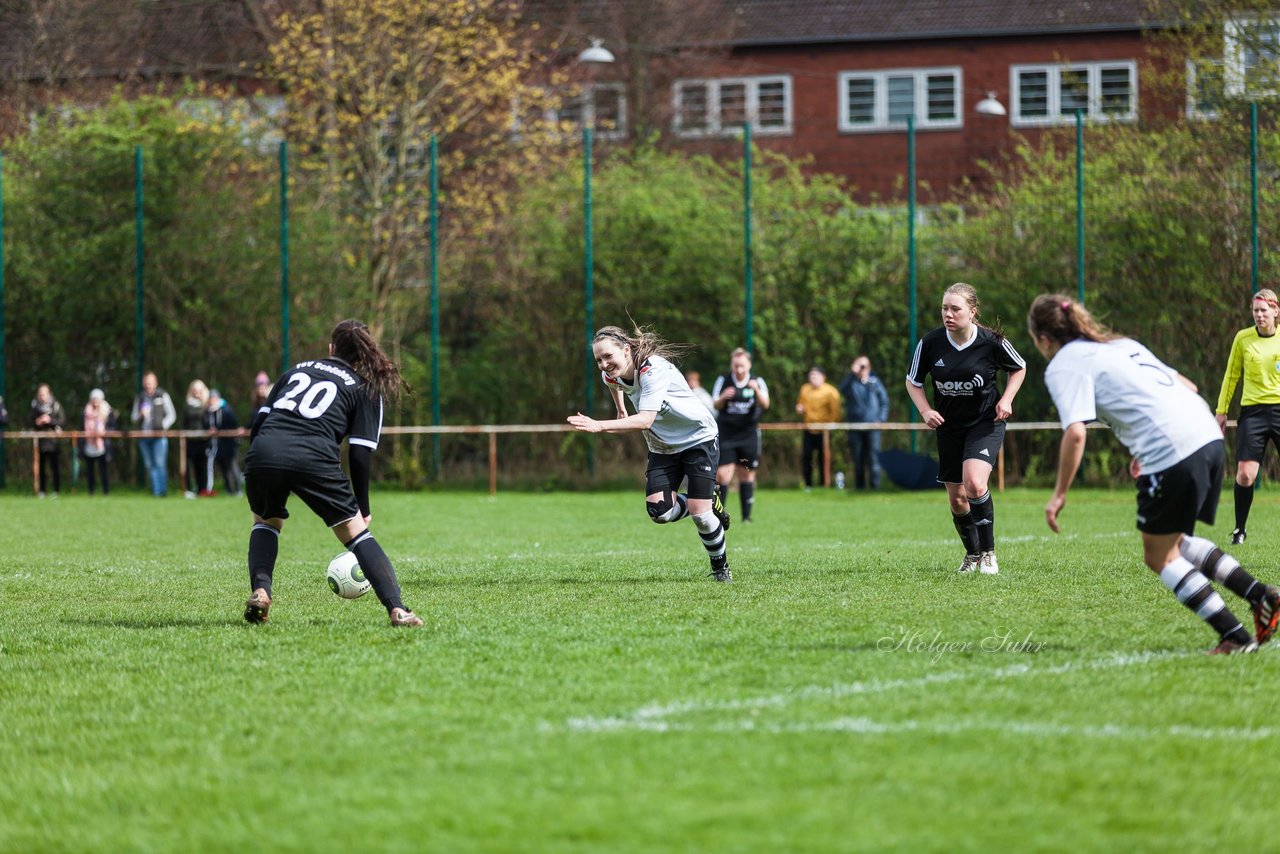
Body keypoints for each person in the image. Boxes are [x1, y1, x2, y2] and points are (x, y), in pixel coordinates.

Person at [1030, 293, 1280, 655]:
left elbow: (1076, 431)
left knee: (1159, 555)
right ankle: (1261, 596)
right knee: (1174, 543)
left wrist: (1059, 494)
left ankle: (1235, 637)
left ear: (1044, 339)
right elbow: (1189, 387)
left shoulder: (1062, 364)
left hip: (1175, 449)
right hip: (1208, 436)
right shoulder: (1119, 344)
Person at [243, 319, 423, 627]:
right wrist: (362, 507)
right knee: (356, 534)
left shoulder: (295, 371)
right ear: (365, 355)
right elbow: (360, 453)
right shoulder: (365, 388)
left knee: (266, 520)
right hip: (313, 456)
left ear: (331, 348)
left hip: (264, 449)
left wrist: (263, 460)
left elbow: (258, 425)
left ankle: (261, 591)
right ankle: (398, 609)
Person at [568, 324, 734, 582]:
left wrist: (600, 424)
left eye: (608, 357)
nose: (603, 364)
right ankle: (704, 500)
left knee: (702, 517)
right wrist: (620, 409)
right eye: (598, 360)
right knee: (660, 512)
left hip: (697, 437)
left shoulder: (652, 369)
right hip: (662, 445)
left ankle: (720, 568)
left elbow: (645, 420)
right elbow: (613, 383)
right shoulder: (611, 374)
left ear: (626, 349)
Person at [906, 282, 1026, 575]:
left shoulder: (991, 342)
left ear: (972, 312)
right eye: (944, 308)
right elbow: (913, 381)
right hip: (949, 427)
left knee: (974, 482)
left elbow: (1019, 367)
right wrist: (925, 410)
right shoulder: (931, 342)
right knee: (958, 499)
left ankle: (989, 554)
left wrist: (1006, 400)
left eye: (955, 308)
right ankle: (972, 554)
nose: (948, 314)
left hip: (985, 423)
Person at [1214, 287, 1280, 545]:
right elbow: (1231, 377)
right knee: (1245, 475)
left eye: (1264, 310)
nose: (1259, 315)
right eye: (1255, 311)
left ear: (1276, 311)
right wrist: (1221, 411)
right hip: (1252, 413)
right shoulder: (1243, 338)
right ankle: (1239, 530)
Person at [711, 347, 770, 522]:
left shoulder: (757, 381)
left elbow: (766, 404)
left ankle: (746, 517)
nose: (739, 370)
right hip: (727, 435)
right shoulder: (723, 380)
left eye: (742, 366)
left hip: (748, 435)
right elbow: (715, 404)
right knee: (722, 475)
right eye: (736, 366)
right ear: (732, 365)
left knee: (747, 473)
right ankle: (719, 515)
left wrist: (757, 391)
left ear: (749, 365)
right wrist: (722, 398)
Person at [838, 355, 890, 490]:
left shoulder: (875, 382)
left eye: (864, 366)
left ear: (869, 367)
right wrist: (852, 373)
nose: (862, 369)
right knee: (857, 458)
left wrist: (881, 419)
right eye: (859, 365)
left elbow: (884, 401)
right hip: (855, 427)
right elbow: (841, 391)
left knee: (874, 458)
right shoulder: (851, 382)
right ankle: (860, 487)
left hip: (873, 426)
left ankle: (875, 487)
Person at [795, 366, 841, 490]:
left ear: (823, 377)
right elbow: (801, 404)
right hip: (808, 429)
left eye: (815, 376)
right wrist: (800, 409)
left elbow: (835, 412)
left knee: (823, 458)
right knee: (807, 457)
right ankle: (808, 484)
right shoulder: (805, 389)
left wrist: (830, 426)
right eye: (811, 376)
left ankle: (824, 484)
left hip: (824, 431)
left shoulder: (831, 391)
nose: (812, 378)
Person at [131, 371, 177, 497]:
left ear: (155, 383)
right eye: (146, 382)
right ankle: (156, 491)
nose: (148, 385)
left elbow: (172, 415)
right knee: (149, 465)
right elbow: (133, 417)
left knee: (160, 464)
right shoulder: (140, 397)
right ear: (143, 383)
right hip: (144, 436)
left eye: (150, 382)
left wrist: (163, 426)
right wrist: (140, 414)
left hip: (159, 436)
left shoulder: (162, 395)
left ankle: (162, 491)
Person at [30, 384, 66, 497]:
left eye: (44, 393)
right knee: (41, 468)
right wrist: (37, 421)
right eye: (40, 394)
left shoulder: (56, 405)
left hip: (53, 442)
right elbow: (30, 421)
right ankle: (42, 491)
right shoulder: (35, 406)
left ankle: (56, 491)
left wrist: (50, 420)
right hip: (40, 442)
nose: (42, 396)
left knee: (54, 467)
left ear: (49, 393)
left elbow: (62, 421)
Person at [205, 389, 243, 496]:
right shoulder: (208, 411)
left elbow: (232, 424)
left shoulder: (226, 410)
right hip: (217, 446)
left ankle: (238, 490)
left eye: (213, 397)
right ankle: (229, 490)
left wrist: (218, 430)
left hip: (229, 444)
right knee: (224, 469)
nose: (212, 400)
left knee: (232, 467)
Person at [81, 388, 116, 496]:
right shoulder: (85, 412)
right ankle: (91, 491)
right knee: (90, 471)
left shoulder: (108, 412)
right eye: (94, 399)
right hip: (89, 445)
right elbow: (81, 427)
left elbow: (112, 427)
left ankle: (106, 492)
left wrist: (105, 433)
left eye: (98, 399)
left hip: (102, 445)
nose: (95, 402)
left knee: (103, 470)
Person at [183, 379, 213, 498]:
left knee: (202, 466)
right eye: (195, 390)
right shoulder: (187, 405)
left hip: (203, 440)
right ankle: (189, 489)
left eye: (199, 391)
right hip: (190, 439)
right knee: (189, 466)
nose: (197, 393)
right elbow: (184, 422)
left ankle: (203, 490)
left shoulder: (208, 405)